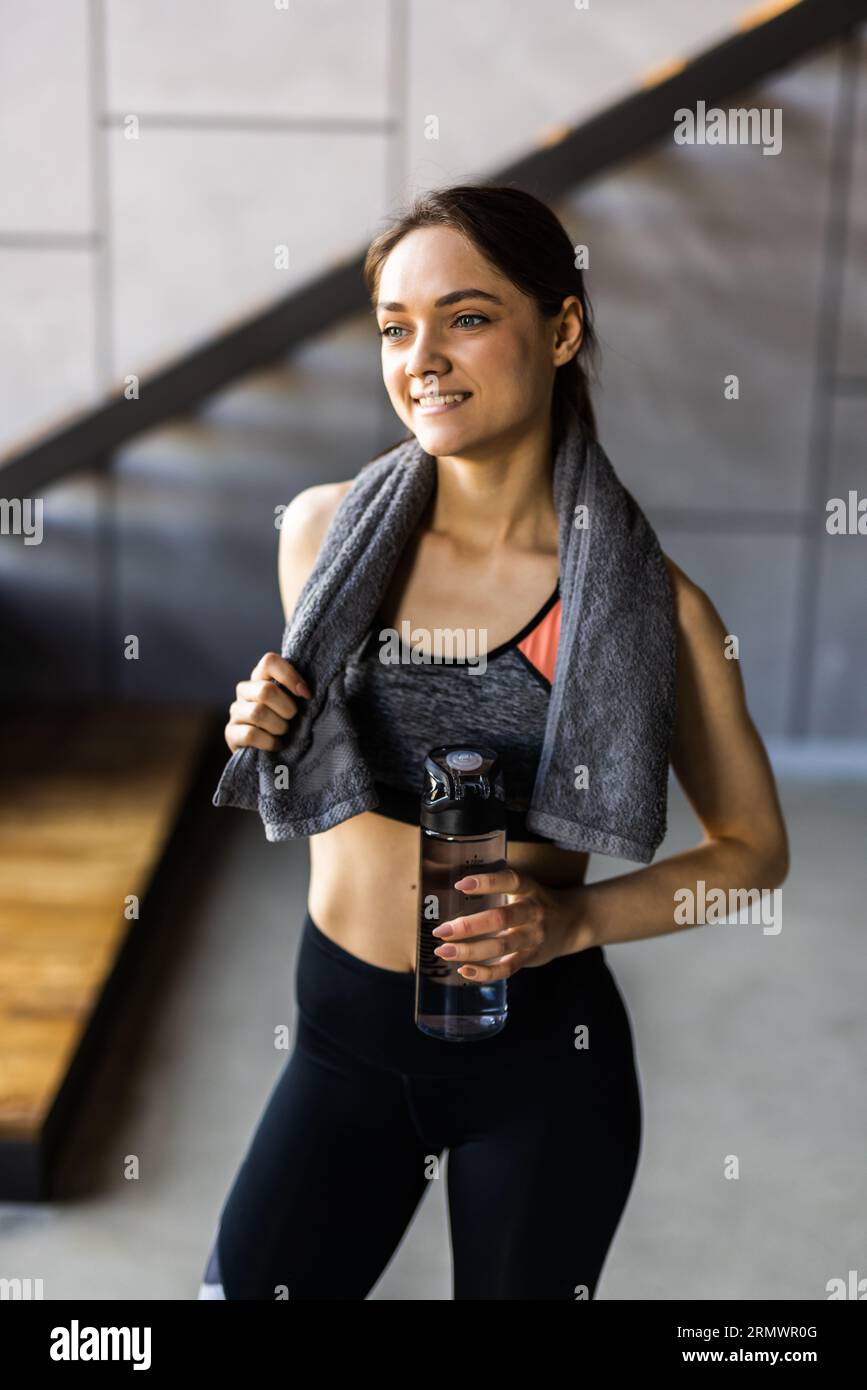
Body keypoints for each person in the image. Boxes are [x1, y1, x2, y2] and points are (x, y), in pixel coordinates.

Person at [197, 184, 789, 1300]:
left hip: (541, 1071)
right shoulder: (323, 533)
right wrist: (263, 720)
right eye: (395, 325)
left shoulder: (651, 612)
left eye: (466, 316)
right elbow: (316, 752)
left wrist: (576, 918)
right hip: (337, 1044)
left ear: (561, 329)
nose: (422, 355)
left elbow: (753, 854)